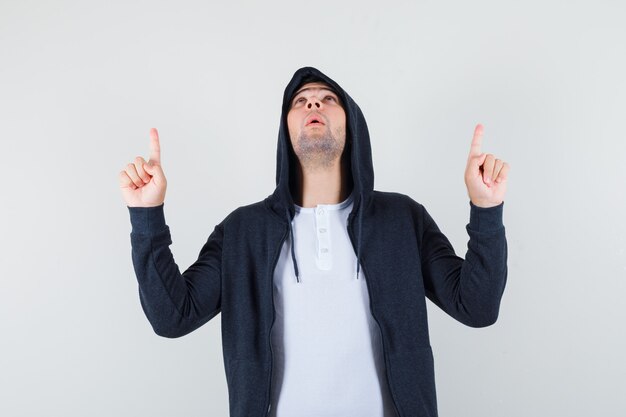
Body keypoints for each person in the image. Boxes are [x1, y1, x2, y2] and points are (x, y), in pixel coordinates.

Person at [118, 66, 510, 417]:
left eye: (327, 98)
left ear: (351, 122)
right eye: (300, 102)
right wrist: (147, 217)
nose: (313, 105)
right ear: (286, 130)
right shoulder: (242, 231)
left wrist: (486, 209)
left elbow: (476, 307)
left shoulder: (402, 219)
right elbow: (173, 316)